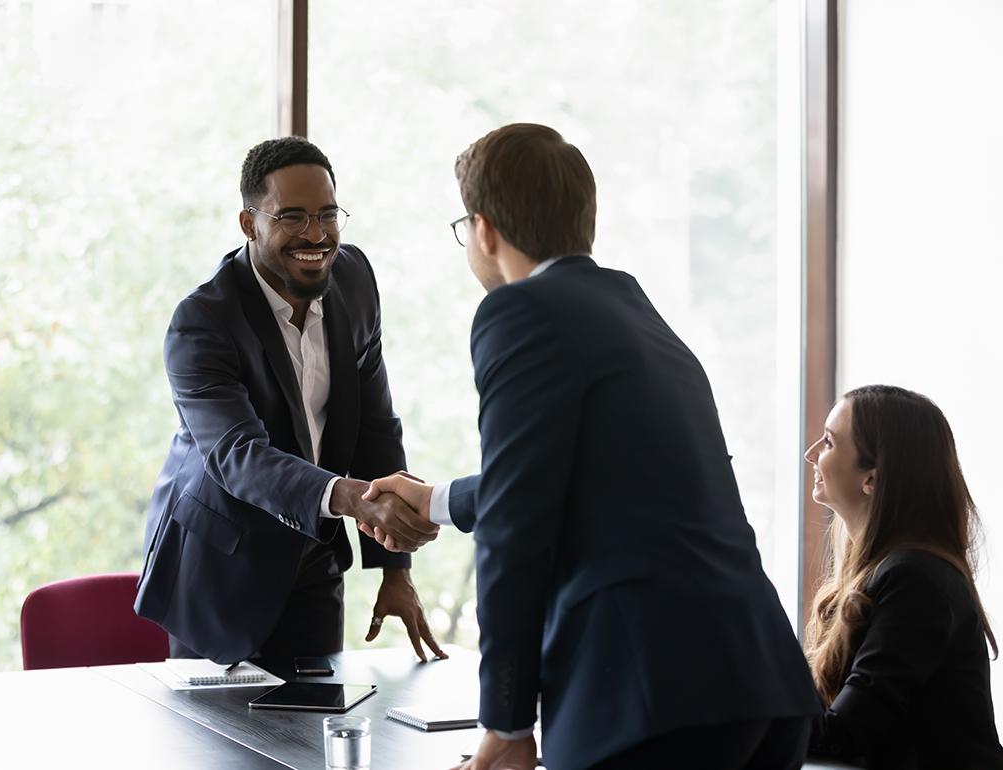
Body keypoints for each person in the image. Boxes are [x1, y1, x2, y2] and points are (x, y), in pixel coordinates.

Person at [364, 123, 820, 770]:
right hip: (759, 681)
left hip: (648, 694)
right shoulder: (633, 310)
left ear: (486, 230)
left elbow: (519, 528)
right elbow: (585, 477)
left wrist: (507, 721)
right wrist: (434, 500)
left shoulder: (520, 313)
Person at [133, 137, 445, 670]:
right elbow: (238, 455)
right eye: (293, 217)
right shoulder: (202, 323)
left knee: (318, 736)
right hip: (219, 570)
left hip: (314, 556)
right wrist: (351, 498)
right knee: (217, 750)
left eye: (328, 214)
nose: (316, 235)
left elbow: (375, 426)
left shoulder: (355, 280)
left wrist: (395, 569)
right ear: (249, 222)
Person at [802, 385, 1003, 769]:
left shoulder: (915, 580)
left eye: (828, 443)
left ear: (872, 480)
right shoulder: (893, 574)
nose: (811, 454)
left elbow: (842, 737)